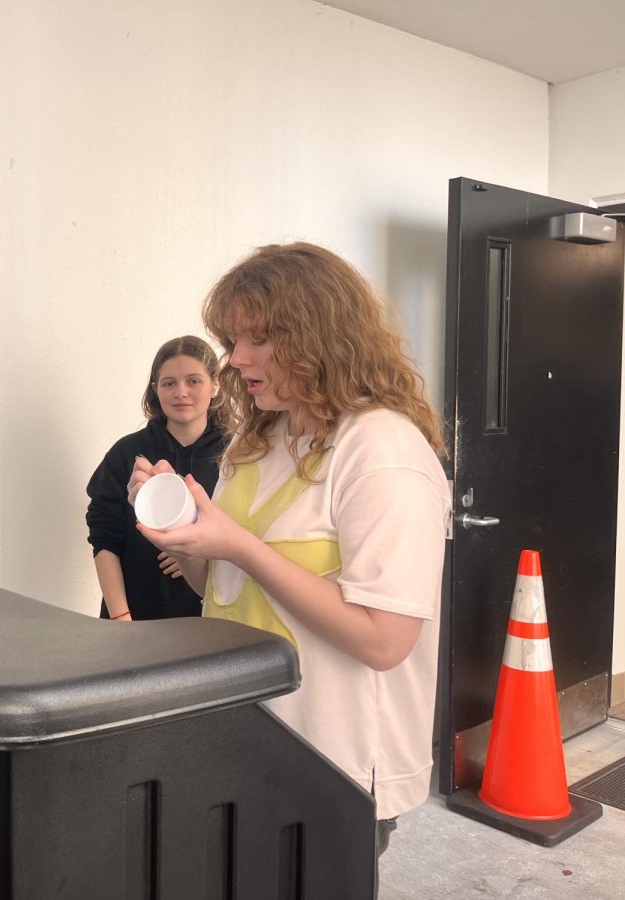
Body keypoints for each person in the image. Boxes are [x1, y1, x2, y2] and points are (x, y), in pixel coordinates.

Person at [128, 243, 450, 854]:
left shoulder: (381, 451)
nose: (237, 361)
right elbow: (216, 589)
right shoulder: (260, 438)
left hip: (332, 759)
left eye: (261, 340)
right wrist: (185, 535)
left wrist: (241, 546)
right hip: (244, 732)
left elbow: (385, 641)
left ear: (323, 337)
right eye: (232, 341)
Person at [86, 336, 226, 621]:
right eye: (169, 383)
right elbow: (104, 540)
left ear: (215, 384)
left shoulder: (238, 456)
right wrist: (121, 618)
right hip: (134, 620)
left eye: (194, 381)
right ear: (155, 390)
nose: (181, 392)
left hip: (213, 624)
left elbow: (249, 537)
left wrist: (194, 559)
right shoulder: (126, 454)